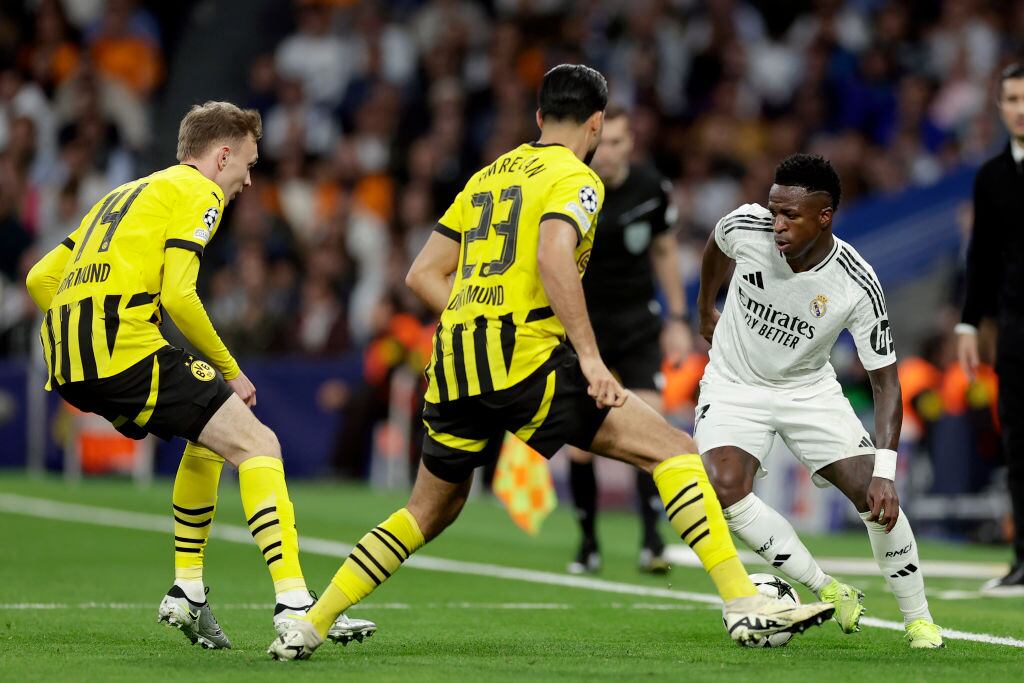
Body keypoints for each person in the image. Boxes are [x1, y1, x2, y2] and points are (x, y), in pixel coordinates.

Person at [268, 64, 834, 661]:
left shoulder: (487, 176)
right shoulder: (577, 177)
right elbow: (553, 253)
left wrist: (479, 316)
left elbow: (421, 273)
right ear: (595, 124)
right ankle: (745, 605)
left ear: (539, 118)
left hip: (457, 362)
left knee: (427, 511)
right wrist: (590, 358)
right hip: (523, 360)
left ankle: (311, 623)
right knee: (672, 451)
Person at [24, 101, 375, 650]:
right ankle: (294, 603)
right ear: (222, 154)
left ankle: (188, 590)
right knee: (259, 443)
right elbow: (178, 295)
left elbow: (40, 278)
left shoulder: (121, 194)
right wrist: (231, 370)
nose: (248, 181)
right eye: (248, 165)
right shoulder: (199, 191)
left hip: (67, 360)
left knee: (209, 437)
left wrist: (85, 322)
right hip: (124, 348)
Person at [695, 153, 943, 648]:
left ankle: (919, 620)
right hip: (733, 384)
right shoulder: (747, 226)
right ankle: (828, 588)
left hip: (808, 390)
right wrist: (705, 305)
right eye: (774, 210)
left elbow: (886, 382)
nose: (776, 224)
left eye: (790, 216)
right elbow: (717, 246)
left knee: (875, 499)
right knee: (723, 488)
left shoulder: (856, 281)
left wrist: (886, 473)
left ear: (824, 216)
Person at [565, 103, 691, 575]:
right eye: (603, 143)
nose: (609, 153)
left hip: (639, 322)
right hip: (585, 326)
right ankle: (588, 542)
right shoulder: (572, 188)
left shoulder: (651, 189)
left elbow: (664, 252)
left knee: (651, 429)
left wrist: (677, 317)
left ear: (630, 143)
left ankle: (652, 540)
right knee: (579, 443)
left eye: (618, 143)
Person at [957, 62, 1024, 593]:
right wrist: (966, 324)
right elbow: (981, 258)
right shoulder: (992, 177)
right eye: (1011, 98)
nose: (1020, 108)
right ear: (999, 106)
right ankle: (1022, 558)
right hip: (1015, 323)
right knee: (1018, 443)